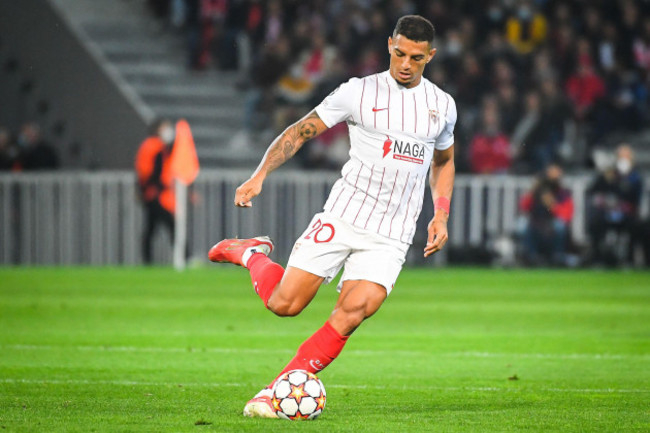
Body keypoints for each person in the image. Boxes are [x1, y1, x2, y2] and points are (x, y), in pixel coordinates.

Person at [208, 15, 456, 418]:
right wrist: (260, 175)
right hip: (344, 214)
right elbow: (301, 130)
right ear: (389, 43)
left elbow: (444, 161)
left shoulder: (442, 106)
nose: (406, 63)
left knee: (355, 310)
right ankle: (251, 253)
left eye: (416, 57)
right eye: (399, 53)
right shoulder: (358, 92)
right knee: (284, 304)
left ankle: (273, 395)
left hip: (391, 234)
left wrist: (440, 213)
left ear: (430, 55)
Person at [586, 144, 644, 266]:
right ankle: (598, 258)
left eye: (626, 156)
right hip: (607, 213)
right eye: (621, 156)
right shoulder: (609, 174)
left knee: (635, 226)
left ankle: (629, 260)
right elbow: (593, 191)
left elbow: (636, 200)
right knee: (595, 224)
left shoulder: (636, 177)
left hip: (627, 214)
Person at [134, 118, 176, 264]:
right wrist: (155, 189)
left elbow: (141, 171)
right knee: (171, 225)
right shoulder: (156, 147)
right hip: (155, 194)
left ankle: (147, 260)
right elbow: (154, 172)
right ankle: (184, 257)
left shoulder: (148, 145)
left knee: (151, 228)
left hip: (150, 192)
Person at [518, 163, 574, 266]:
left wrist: (551, 205)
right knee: (521, 224)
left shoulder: (563, 193)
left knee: (560, 226)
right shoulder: (537, 191)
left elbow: (566, 216)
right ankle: (530, 256)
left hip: (552, 222)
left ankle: (558, 256)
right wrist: (532, 190)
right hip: (536, 221)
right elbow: (524, 207)